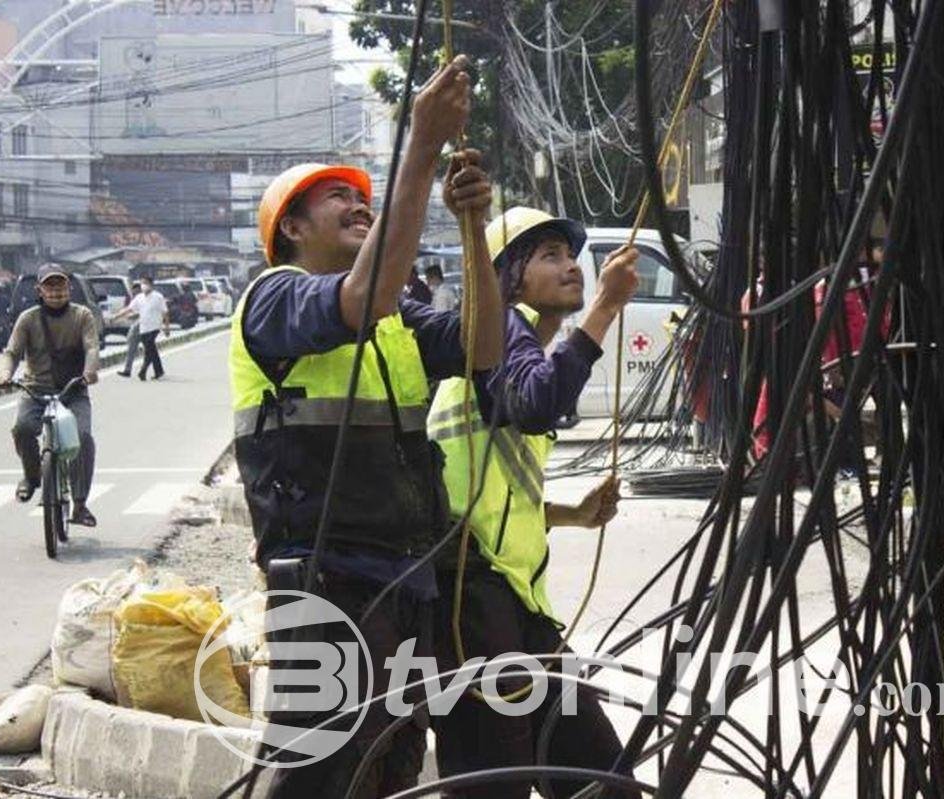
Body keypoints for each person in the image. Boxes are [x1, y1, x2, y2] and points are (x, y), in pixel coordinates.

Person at [230, 55, 502, 798]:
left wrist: (472, 229)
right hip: (329, 580)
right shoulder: (275, 299)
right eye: (334, 199)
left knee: (388, 765)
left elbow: (484, 346)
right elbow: (367, 292)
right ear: (289, 227)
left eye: (364, 197)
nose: (359, 205)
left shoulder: (397, 317)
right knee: (316, 771)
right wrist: (420, 145)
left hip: (407, 577)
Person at [426, 207, 641, 799]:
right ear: (507, 277)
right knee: (499, 782)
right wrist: (605, 309)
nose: (572, 266)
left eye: (569, 255)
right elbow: (536, 403)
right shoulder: (501, 333)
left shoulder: (519, 351)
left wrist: (571, 514)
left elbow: (489, 490)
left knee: (599, 777)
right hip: (470, 596)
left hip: (512, 602)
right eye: (549, 256)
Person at [0, 264, 99, 527]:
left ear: (69, 288)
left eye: (60, 286)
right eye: (50, 287)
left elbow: (92, 347)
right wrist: (4, 374)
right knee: (22, 429)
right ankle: (31, 478)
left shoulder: (82, 315)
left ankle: (80, 504)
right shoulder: (28, 319)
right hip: (36, 390)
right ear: (39, 290)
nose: (56, 292)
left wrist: (90, 372)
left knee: (83, 438)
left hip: (73, 390)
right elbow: (12, 353)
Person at [110, 277, 168, 380]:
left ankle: (143, 370)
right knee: (151, 350)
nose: (143, 285)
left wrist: (166, 326)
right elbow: (128, 309)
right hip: (143, 327)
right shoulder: (139, 298)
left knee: (150, 348)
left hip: (154, 327)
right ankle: (159, 371)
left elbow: (165, 312)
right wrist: (116, 316)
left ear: (151, 284)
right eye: (142, 283)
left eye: (145, 283)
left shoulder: (158, 297)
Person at [115, 282, 142, 377]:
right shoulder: (136, 299)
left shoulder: (142, 298)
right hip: (139, 324)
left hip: (141, 325)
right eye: (133, 292)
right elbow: (129, 309)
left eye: (135, 292)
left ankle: (129, 369)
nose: (134, 294)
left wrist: (116, 317)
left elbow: (136, 312)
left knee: (132, 345)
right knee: (148, 349)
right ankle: (129, 369)